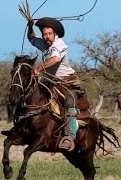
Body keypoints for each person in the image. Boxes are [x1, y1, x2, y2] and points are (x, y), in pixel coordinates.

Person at [27, 17, 81, 151]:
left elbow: (55, 59)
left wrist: (39, 68)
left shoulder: (60, 44)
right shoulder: (43, 44)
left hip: (67, 82)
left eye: (49, 34)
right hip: (50, 82)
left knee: (69, 102)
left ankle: (70, 136)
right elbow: (32, 38)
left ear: (55, 34)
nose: (46, 37)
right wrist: (30, 26)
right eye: (44, 34)